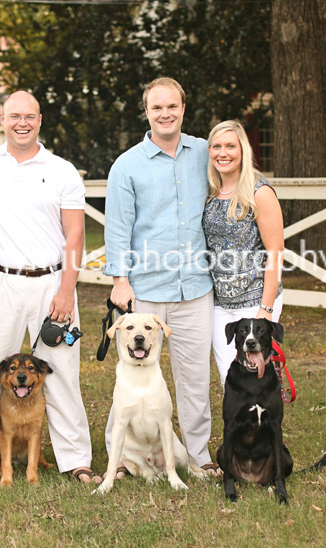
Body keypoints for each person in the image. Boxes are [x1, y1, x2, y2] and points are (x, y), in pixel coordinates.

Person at [0, 90, 101, 487]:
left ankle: (76, 459)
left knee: (63, 374)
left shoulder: (61, 169)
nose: (22, 122)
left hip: (52, 284)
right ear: (2, 118)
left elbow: (75, 235)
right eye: (14, 115)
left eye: (31, 116)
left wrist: (66, 290)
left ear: (41, 120)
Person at [103, 77, 220, 478]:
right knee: (132, 375)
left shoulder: (205, 152)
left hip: (195, 287)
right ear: (147, 112)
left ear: (183, 108)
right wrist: (120, 280)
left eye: (172, 106)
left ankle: (199, 455)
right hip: (146, 288)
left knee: (194, 379)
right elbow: (118, 226)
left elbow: (236, 180)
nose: (165, 114)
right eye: (157, 108)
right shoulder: (127, 165)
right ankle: (120, 458)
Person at [201, 120, 284, 385]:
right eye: (216, 146)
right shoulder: (210, 193)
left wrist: (266, 309)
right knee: (231, 379)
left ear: (242, 150)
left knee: (255, 375)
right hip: (219, 304)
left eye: (230, 146)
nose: (222, 153)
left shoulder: (259, 192)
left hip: (255, 300)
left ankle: (262, 426)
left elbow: (275, 252)